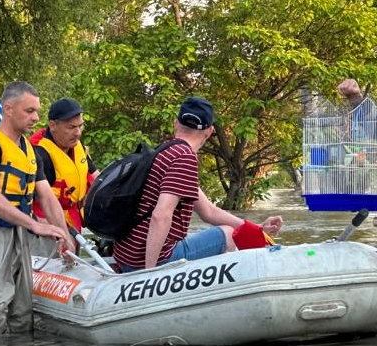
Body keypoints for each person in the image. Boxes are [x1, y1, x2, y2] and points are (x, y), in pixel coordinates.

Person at [0, 81, 75, 335]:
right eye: (29, 111)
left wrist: (64, 236)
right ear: (8, 109)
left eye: (37, 111)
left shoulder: (30, 151)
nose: (36, 118)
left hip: (17, 234)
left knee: (22, 315)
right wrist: (34, 224)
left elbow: (46, 197)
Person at [113, 96, 283, 271]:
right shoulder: (183, 157)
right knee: (229, 234)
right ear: (209, 132)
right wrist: (149, 274)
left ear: (175, 123)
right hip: (147, 261)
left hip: (127, 255)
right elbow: (160, 215)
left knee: (223, 230)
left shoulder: (164, 150)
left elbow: (208, 211)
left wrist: (257, 228)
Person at [29, 97, 100, 239]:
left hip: (74, 222)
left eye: (80, 126)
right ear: (53, 125)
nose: (78, 133)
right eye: (71, 127)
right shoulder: (40, 153)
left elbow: (96, 176)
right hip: (47, 229)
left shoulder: (77, 145)